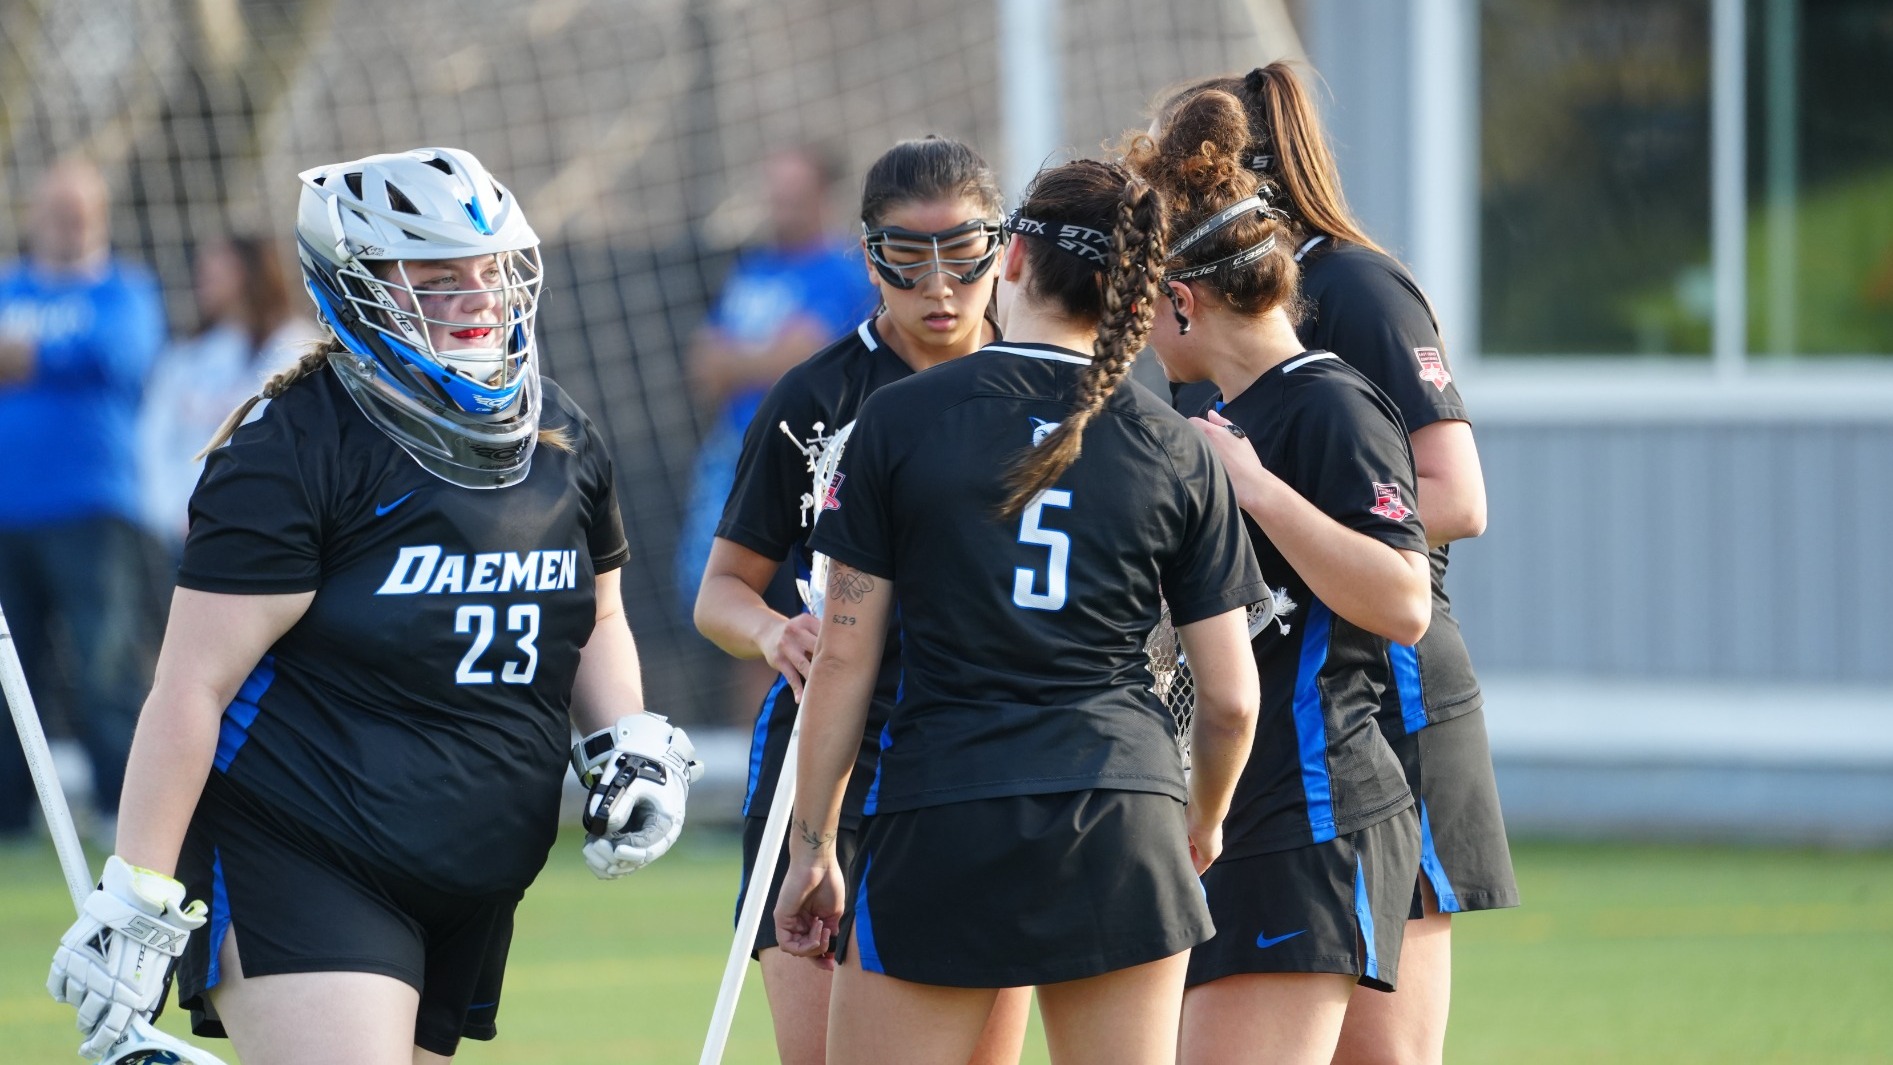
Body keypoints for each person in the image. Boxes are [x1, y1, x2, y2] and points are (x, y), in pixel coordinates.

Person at [44, 147, 700, 1064]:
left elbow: (597, 614)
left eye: (491, 270)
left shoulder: (561, 435)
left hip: (477, 869)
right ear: (355, 290)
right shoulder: (295, 449)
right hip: (306, 848)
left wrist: (623, 739)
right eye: (438, 279)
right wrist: (139, 896)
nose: (480, 296)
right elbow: (190, 686)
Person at [773, 157, 1265, 1065]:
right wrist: (1198, 820)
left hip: (942, 816)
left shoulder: (901, 419)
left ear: (1011, 259)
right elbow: (1231, 698)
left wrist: (812, 846)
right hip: (1125, 814)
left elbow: (843, 661)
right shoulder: (1176, 442)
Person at [1161, 64, 1519, 1065]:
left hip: (1386, 704)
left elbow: (1452, 499)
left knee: (1384, 1051)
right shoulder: (1202, 343)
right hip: (1279, 714)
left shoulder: (1351, 290)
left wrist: (1271, 502)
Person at [694, 136, 1031, 1065]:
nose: (939, 289)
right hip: (826, 754)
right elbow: (721, 590)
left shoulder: (1041, 393)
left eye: (964, 258)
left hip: (986, 760)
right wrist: (773, 631)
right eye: (905, 259)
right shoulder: (816, 395)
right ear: (867, 254)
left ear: (1002, 252)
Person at [1125, 89, 1433, 1065]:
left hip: (1312, 807)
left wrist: (1258, 492)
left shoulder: (1330, 406)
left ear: (1182, 299)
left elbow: (1404, 600)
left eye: (1144, 301)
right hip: (1240, 810)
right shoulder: (1220, 417)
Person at [0, 157, 165, 847]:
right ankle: (9, 816)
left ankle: (121, 812)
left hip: (95, 507)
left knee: (105, 667)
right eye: (56, 211)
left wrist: (33, 356)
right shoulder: (9, 285)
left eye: (80, 212)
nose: (67, 225)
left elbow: (121, 356)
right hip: (9, 513)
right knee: (12, 674)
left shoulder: (123, 290)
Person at [675, 145, 877, 669]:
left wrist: (741, 359)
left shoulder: (843, 273)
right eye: (775, 195)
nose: (780, 207)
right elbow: (704, 365)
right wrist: (757, 358)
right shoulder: (754, 270)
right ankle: (752, 746)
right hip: (736, 455)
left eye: (794, 196)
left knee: (794, 613)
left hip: (809, 469)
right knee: (736, 611)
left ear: (822, 198)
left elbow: (797, 357)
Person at [138, 233, 319, 556]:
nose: (203, 281)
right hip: (190, 531)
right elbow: (154, 437)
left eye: (216, 272)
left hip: (274, 527)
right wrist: (171, 512)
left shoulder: (297, 347)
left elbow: (278, 441)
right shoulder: (186, 356)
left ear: (251, 272)